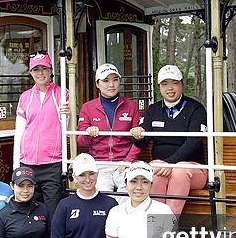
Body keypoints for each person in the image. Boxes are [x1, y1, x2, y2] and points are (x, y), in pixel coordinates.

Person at [130, 64, 208, 217]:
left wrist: (171, 163)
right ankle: (156, 224)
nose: (170, 88)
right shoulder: (153, 110)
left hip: (193, 168)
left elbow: (194, 141)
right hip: (163, 165)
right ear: (159, 87)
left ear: (182, 85)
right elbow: (141, 141)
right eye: (165, 84)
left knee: (179, 171)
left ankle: (168, 226)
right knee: (154, 168)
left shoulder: (196, 109)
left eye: (175, 83)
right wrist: (137, 135)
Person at [13, 52, 69, 222]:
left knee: (51, 213)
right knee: (30, 213)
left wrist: (66, 115)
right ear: (30, 73)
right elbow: (19, 133)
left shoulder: (62, 93)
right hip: (28, 164)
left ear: (51, 70)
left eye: (44, 68)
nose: (40, 73)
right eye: (36, 69)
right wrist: (17, 165)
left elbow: (65, 127)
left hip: (52, 164)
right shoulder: (25, 98)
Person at [76, 63, 141, 194]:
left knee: (130, 191)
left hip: (124, 164)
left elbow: (140, 140)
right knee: (102, 197)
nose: (111, 85)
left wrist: (128, 161)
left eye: (115, 80)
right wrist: (88, 133)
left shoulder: (131, 106)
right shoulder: (87, 107)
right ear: (97, 84)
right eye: (106, 81)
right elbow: (80, 141)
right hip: (99, 164)